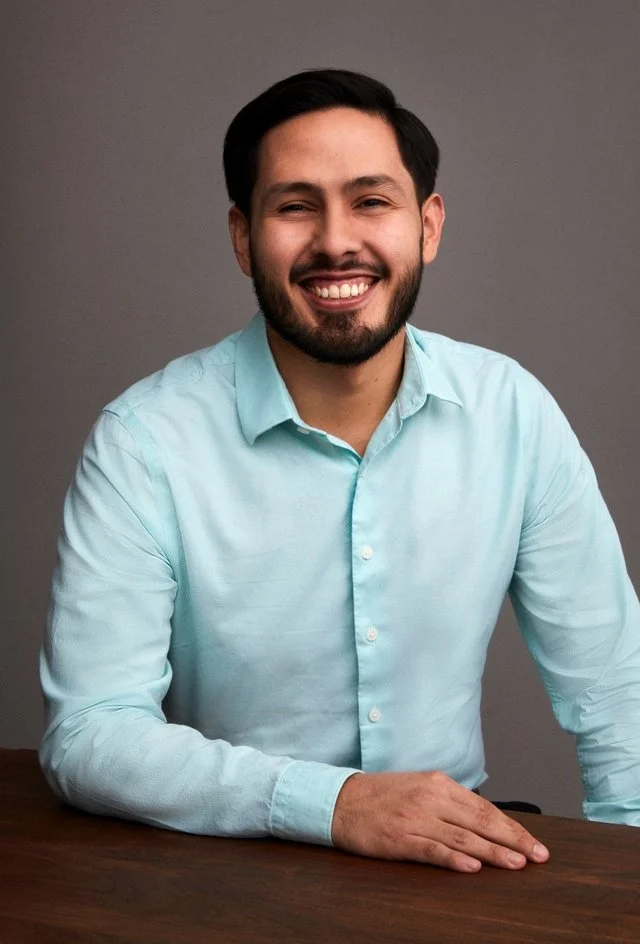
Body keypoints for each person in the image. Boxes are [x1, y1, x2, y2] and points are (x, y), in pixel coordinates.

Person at [40, 68, 640, 875]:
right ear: (242, 236)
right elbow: (90, 733)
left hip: (448, 872)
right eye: (294, 205)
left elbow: (617, 691)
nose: (335, 241)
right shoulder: (144, 441)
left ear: (427, 226)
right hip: (224, 873)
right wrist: (335, 803)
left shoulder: (512, 412)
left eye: (371, 201)